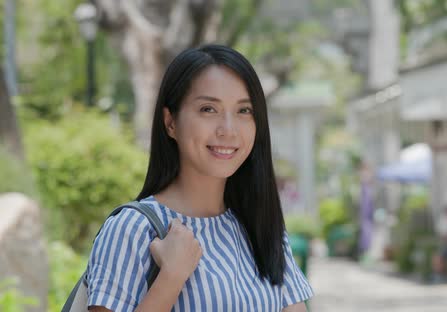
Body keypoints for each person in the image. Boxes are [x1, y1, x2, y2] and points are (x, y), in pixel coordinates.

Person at [87, 45, 313, 312]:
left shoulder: (260, 228)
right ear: (170, 122)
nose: (228, 130)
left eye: (244, 111)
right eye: (208, 109)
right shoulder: (133, 230)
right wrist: (171, 277)